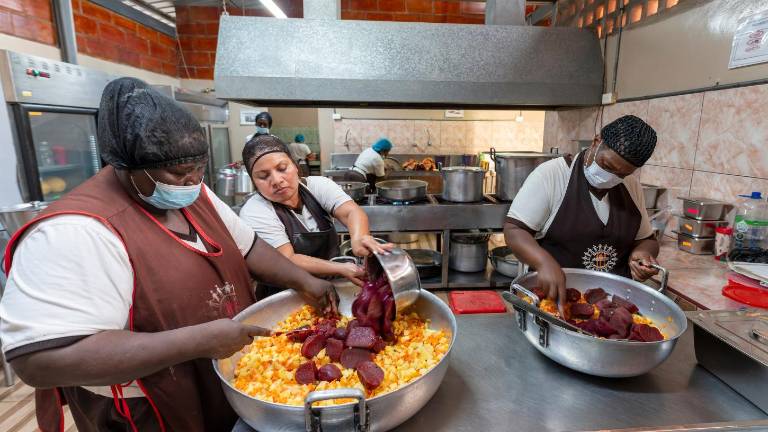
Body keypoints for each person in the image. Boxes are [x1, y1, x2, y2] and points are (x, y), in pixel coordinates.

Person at [0, 78, 337, 432]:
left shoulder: (192, 191)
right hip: (148, 409)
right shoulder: (72, 231)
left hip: (216, 385)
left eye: (199, 169)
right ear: (127, 167)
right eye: (179, 173)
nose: (192, 181)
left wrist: (306, 281)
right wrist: (198, 341)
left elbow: (248, 246)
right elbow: (36, 361)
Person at [503, 115, 660, 315]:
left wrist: (642, 255)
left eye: (622, 174)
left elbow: (647, 240)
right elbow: (514, 230)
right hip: (556, 303)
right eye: (607, 165)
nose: (611, 177)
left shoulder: (631, 187)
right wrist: (543, 261)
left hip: (613, 306)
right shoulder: (552, 175)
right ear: (597, 142)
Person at [239, 134, 391, 296]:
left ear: (296, 166)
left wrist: (359, 237)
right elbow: (287, 259)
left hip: (330, 285)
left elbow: (351, 211)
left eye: (282, 168)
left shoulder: (317, 185)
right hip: (285, 294)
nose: (276, 180)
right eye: (263, 176)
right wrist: (341, 268)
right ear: (254, 182)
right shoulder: (255, 211)